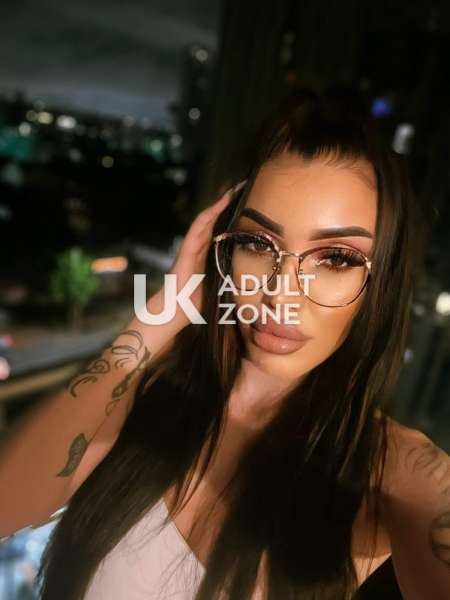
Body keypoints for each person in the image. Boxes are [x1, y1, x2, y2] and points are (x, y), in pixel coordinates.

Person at [1, 89, 449, 600]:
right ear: (223, 247)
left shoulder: (382, 468)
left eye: (336, 259)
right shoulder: (151, 395)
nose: (279, 294)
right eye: (258, 243)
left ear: (380, 285)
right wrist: (161, 315)